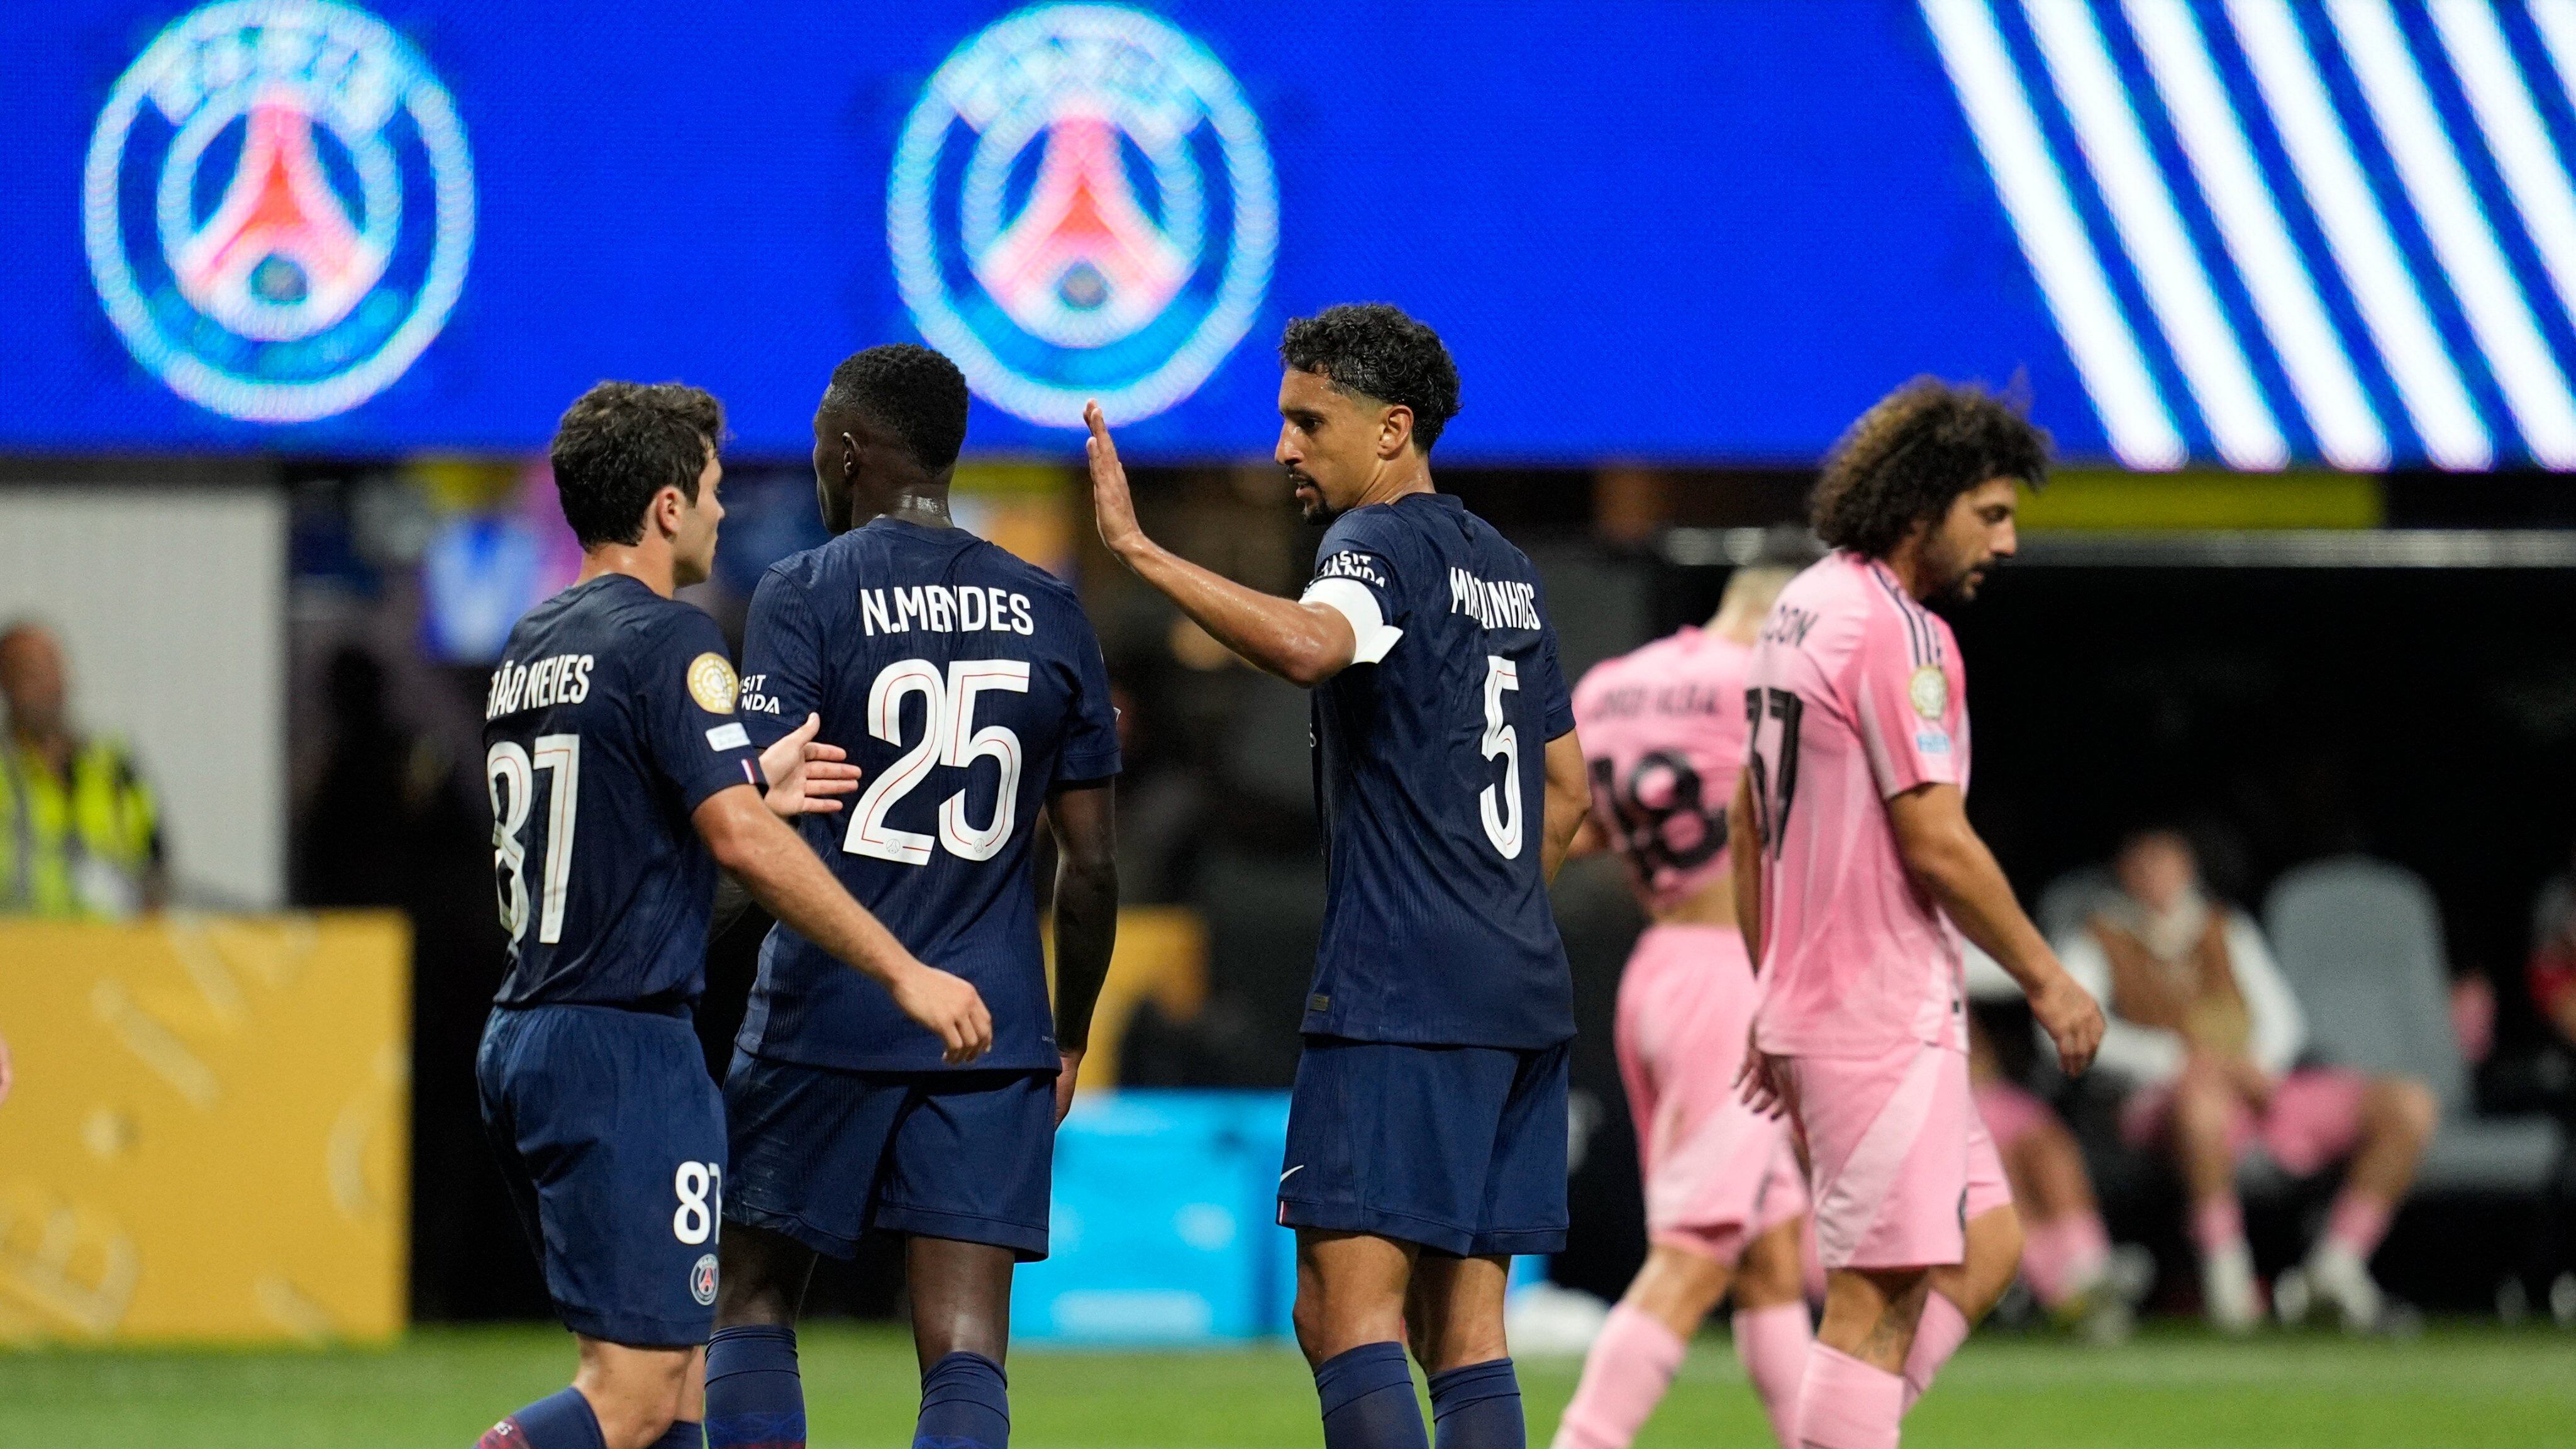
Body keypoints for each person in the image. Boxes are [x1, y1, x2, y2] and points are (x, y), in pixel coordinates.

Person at [1085, 303, 1591, 1449]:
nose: (1284, 449)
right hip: (1517, 987)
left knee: (1339, 1308)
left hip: (1401, 987)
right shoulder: (1505, 570)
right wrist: (1493, 910)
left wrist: (1141, 551)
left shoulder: (1374, 544)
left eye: (1310, 421)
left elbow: (1317, 646)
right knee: (1466, 1329)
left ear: (1390, 429)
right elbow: (1571, 793)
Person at [473, 381, 993, 1449]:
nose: (720, 512)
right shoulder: (674, 640)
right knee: (630, 1390)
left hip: (530, 1032)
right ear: (667, 507)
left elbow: (617, 814)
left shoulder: (534, 641)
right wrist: (905, 968)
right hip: (624, 1046)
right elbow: (739, 842)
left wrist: (747, 771)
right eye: (710, 490)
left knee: (677, 1388)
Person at [700, 345, 1122, 1449]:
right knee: (967, 1339)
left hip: (823, 1008)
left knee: (747, 1296)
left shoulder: (802, 591)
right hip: (987, 1025)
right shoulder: (1050, 607)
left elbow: (757, 808)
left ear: (848, 448)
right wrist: (1067, 1033)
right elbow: (1093, 867)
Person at [1731, 378, 2104, 1449]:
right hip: (1874, 1012)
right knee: (1874, 1299)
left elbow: (1746, 820)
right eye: (1990, 513)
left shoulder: (1800, 605)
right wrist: (2047, 975)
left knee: (1987, 1241)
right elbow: (1935, 836)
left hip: (1829, 1003)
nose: (2009, 540)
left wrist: (1771, 986)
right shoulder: (1902, 634)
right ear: (1919, 506)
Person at [1549, 535, 1818, 1449]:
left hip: (1658, 968)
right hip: (1732, 978)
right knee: (1696, 1254)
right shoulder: (1771, 689)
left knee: (1773, 1255)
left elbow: (1570, 828)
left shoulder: (1617, 683)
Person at [2057, 828, 2438, 1333]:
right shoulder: (2093, 939)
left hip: (2259, 1087)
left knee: (2408, 1104)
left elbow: (2283, 1018)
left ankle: (2337, 1267)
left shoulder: (2225, 927)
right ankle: (2227, 1280)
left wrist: (2255, 1064)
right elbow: (2072, 1032)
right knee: (2201, 1107)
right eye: (2144, 866)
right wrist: (2176, 1062)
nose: (2157, 877)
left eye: (2167, 863)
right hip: (2163, 1100)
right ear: (2123, 874)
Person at [0, 621, 166, 917]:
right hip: (20, 951)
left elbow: (156, 868)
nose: (46, 685)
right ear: (6, 682)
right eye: (30, 673)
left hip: (108, 952)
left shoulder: (115, 766)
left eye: (52, 669)